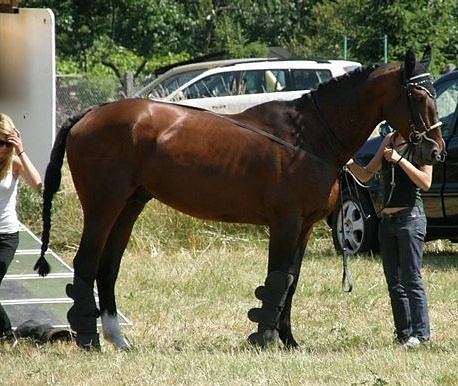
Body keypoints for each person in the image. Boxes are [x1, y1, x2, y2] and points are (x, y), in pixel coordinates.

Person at [346, 125, 431, 349]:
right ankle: (404, 334)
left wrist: (399, 160)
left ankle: (421, 335)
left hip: (410, 219)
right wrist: (349, 162)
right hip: (388, 221)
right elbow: (366, 174)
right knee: (394, 282)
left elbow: (426, 182)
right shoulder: (389, 140)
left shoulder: (422, 143)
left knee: (411, 279)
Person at [0, 113, 42, 346]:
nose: (4, 148)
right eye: (0, 142)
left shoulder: (14, 164)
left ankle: (7, 335)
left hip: (6, 235)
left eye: (8, 143)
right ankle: (5, 334)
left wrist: (21, 152)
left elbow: (37, 184)